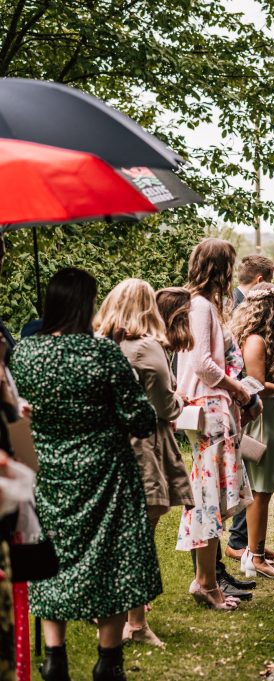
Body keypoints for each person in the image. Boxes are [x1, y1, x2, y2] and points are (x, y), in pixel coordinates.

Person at [11, 268, 161, 681]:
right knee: (110, 559)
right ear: (86, 304)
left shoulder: (24, 354)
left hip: (48, 473)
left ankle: (54, 657)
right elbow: (141, 419)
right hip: (105, 474)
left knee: (51, 558)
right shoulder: (103, 354)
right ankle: (108, 660)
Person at [95, 279, 194, 648]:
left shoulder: (100, 345)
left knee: (117, 531)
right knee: (139, 533)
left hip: (106, 445)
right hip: (142, 448)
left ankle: (113, 612)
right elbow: (165, 406)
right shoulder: (147, 348)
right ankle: (134, 622)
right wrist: (180, 401)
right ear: (146, 306)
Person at [176, 238, 256, 611]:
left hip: (208, 408)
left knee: (210, 499)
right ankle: (206, 583)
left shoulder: (198, 305)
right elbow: (204, 365)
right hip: (208, 409)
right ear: (220, 268)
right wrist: (238, 390)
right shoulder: (201, 306)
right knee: (207, 500)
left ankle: (207, 580)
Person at [228, 283, 274, 579]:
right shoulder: (255, 341)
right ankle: (254, 557)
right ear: (271, 310)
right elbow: (255, 386)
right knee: (260, 490)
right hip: (258, 422)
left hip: (265, 419)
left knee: (262, 491)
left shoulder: (253, 338)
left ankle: (255, 551)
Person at [224, 254, 274, 560]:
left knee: (255, 473)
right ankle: (241, 541)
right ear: (260, 281)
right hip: (243, 400)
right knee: (252, 471)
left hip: (249, 398)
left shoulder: (235, 303)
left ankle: (251, 540)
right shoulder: (235, 306)